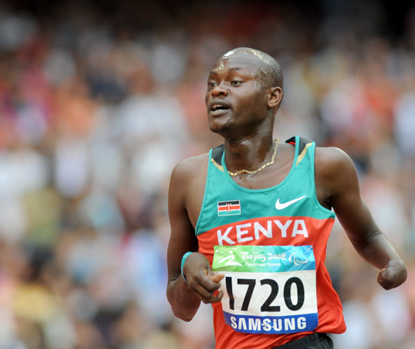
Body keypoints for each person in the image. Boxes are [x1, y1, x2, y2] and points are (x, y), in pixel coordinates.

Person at [165, 47, 407, 349]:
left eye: (235, 82)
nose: (218, 91)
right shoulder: (190, 179)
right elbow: (181, 309)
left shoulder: (324, 167)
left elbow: (368, 235)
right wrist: (190, 272)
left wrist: (392, 261)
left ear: (272, 96)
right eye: (212, 84)